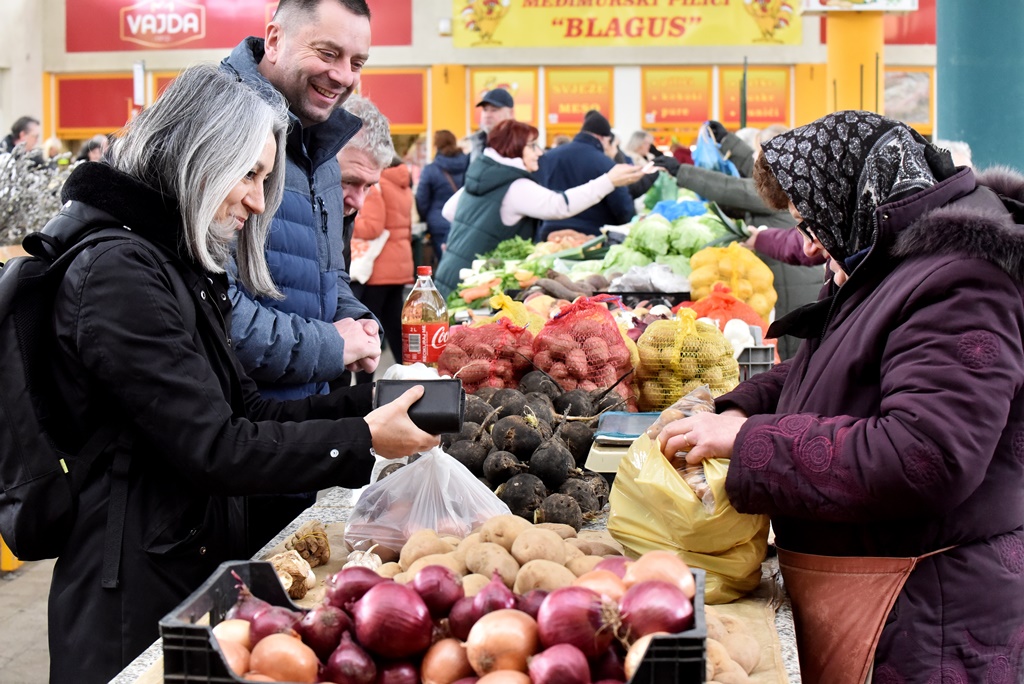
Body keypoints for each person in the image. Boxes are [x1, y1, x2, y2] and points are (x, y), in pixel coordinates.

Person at [43, 63, 438, 684]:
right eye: (251, 174)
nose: (258, 200)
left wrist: (371, 410)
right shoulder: (121, 274)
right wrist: (361, 440)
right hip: (131, 595)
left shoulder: (170, 261)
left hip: (179, 560)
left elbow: (246, 411)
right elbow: (214, 446)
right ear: (202, 159)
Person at [658, 110, 1024, 682]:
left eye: (811, 225)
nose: (806, 247)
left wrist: (749, 440)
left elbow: (925, 455)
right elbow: (831, 371)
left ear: (859, 198)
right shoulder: (888, 259)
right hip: (893, 603)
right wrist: (738, 405)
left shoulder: (961, 280)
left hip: (933, 620)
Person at [221, 0, 380, 404]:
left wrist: (357, 320)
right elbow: (210, 312)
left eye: (357, 63)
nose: (342, 76)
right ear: (274, 39)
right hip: (236, 424)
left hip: (302, 416)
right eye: (328, 53)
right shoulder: (218, 126)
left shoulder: (322, 151)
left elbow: (327, 276)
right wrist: (331, 346)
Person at [435, 119, 647, 296]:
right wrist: (609, 180)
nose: (539, 152)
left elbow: (449, 211)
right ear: (515, 148)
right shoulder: (515, 186)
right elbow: (560, 205)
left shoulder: (483, 174)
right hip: (471, 285)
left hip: (453, 271)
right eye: (532, 146)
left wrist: (476, 232)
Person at [351, 154, 414, 382]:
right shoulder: (402, 184)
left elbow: (373, 228)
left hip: (379, 268)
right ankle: (412, 376)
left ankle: (364, 387)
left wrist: (350, 220)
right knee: (395, 328)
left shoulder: (377, 185)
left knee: (369, 328)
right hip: (398, 265)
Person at [534, 110, 637, 241]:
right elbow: (623, 207)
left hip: (549, 233)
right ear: (603, 138)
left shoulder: (548, 157)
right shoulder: (605, 164)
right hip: (590, 237)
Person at [416, 129, 470, 255]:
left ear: (436, 146)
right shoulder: (469, 165)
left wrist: (427, 218)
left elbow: (422, 199)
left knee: (443, 263)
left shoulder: (430, 170)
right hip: (464, 221)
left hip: (439, 223)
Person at [469, 87, 515, 162]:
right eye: (485, 110)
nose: (487, 115)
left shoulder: (522, 144)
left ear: (511, 113)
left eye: (494, 110)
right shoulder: (477, 143)